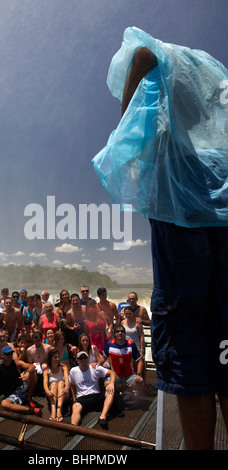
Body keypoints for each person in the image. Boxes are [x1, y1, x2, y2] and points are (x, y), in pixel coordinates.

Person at [92, 27, 228, 449]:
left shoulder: (171, 147)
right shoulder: (220, 154)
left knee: (190, 370)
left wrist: (129, 113)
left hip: (180, 242)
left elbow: (144, 57)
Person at [0, 345, 40, 415]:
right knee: (4, 404)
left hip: (20, 388)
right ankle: (31, 410)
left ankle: (29, 398)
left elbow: (32, 366)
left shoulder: (16, 363)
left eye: (11, 354)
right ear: (2, 355)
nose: (10, 356)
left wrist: (27, 373)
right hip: (10, 392)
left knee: (33, 373)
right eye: (7, 354)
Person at [70, 351, 116, 429]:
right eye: (81, 358)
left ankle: (103, 417)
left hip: (95, 396)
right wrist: (75, 400)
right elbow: (72, 386)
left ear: (88, 359)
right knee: (75, 407)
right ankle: (73, 426)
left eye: (85, 358)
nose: (83, 360)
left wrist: (111, 383)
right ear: (77, 361)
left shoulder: (95, 368)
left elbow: (112, 373)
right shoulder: (73, 371)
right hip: (82, 398)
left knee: (110, 389)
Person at [103, 325, 144, 412]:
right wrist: (96, 365)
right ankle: (116, 399)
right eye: (117, 331)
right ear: (114, 334)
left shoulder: (131, 344)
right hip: (116, 376)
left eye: (122, 331)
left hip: (129, 375)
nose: (120, 333)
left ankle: (131, 396)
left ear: (125, 333)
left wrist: (139, 374)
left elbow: (140, 360)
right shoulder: (109, 344)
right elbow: (103, 357)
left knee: (139, 383)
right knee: (107, 384)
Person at [43, 348, 70, 421]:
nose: (57, 359)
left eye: (58, 357)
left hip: (63, 394)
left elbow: (67, 380)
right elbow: (45, 384)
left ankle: (59, 410)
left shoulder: (63, 367)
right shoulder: (47, 371)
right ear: (51, 358)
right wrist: (47, 391)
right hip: (52, 394)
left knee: (61, 383)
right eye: (55, 357)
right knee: (54, 384)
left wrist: (67, 387)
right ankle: (53, 410)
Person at [26, 330, 52, 395]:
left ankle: (45, 389)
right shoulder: (30, 350)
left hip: (46, 368)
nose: (37, 343)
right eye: (35, 341)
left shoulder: (48, 347)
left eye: (39, 341)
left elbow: (51, 360)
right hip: (36, 369)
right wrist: (35, 365)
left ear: (42, 339)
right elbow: (29, 363)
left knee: (44, 366)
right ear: (33, 340)